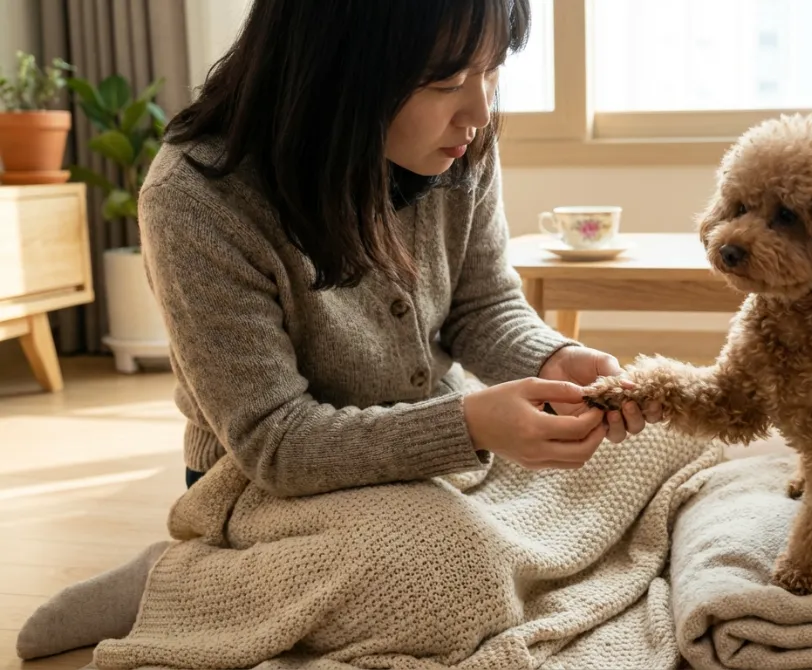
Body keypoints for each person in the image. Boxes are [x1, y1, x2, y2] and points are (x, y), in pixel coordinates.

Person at [16, 0, 662, 659]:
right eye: (446, 82)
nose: (477, 111)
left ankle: (472, 544)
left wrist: (553, 359)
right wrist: (470, 427)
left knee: (667, 444)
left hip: (436, 451)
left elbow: (484, 305)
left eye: (491, 70)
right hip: (267, 483)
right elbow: (276, 443)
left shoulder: (459, 145)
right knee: (455, 579)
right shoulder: (196, 197)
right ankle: (187, 580)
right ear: (342, 68)